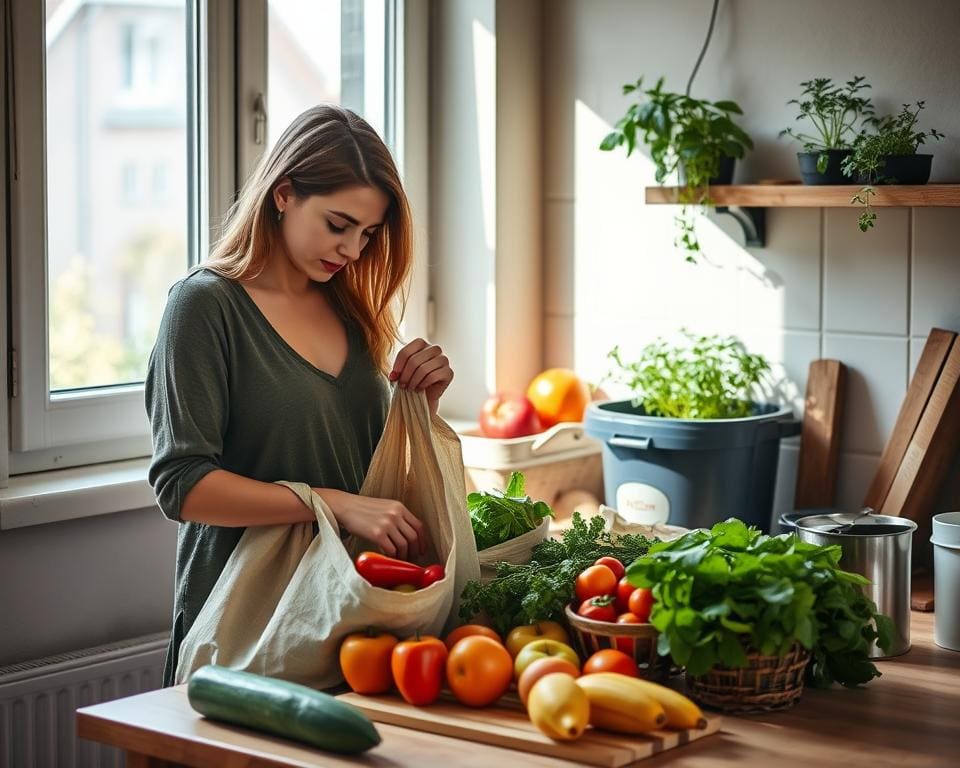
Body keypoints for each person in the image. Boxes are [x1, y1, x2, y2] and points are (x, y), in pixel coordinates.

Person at [145, 105, 453, 687]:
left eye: (366, 234)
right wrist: (326, 502)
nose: (353, 251)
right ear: (283, 194)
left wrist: (419, 406)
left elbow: (358, 464)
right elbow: (183, 487)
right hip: (243, 628)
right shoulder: (204, 307)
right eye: (338, 225)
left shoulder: (350, 307)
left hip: (351, 616)